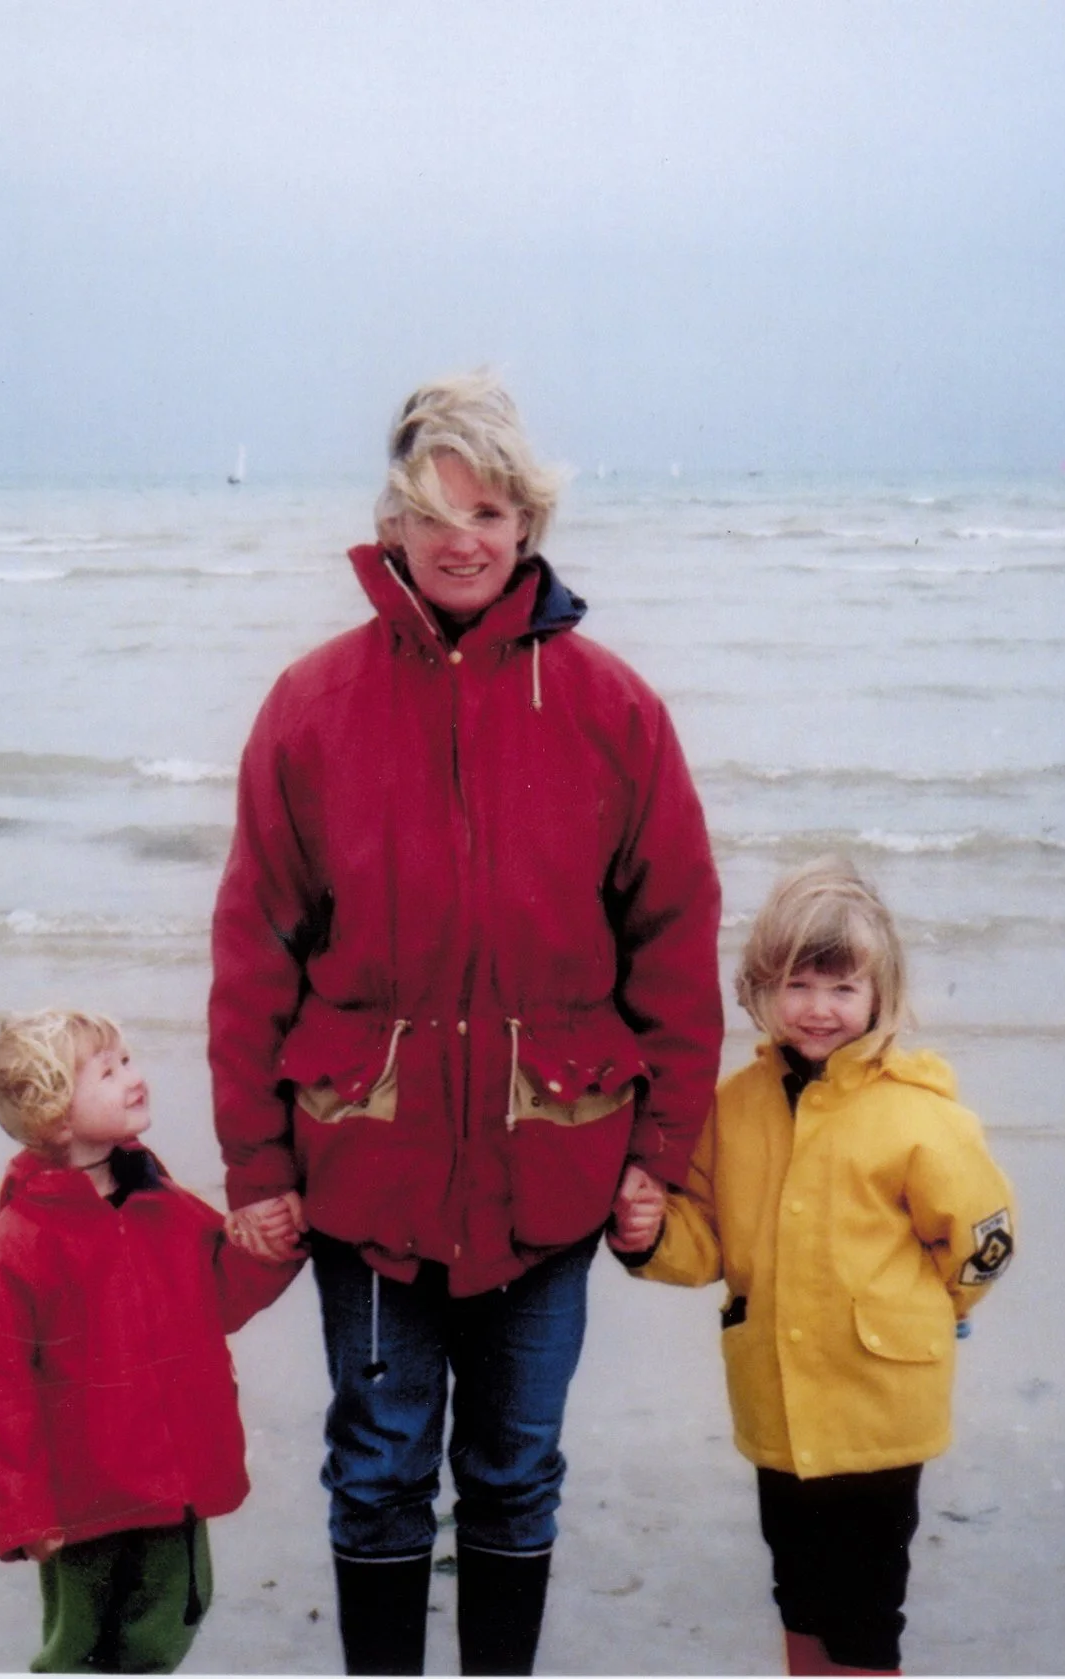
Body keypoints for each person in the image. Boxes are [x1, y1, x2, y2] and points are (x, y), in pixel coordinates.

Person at [210, 371, 724, 1675]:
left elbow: (674, 941)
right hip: (364, 1167)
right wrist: (258, 1166)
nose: (463, 536)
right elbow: (253, 952)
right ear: (394, 524)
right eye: (436, 509)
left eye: (489, 508)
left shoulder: (613, 708)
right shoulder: (312, 706)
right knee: (377, 1466)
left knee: (514, 1467)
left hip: (552, 1164)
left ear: (526, 524)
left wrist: (659, 1152)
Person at [610, 856, 1016, 1677]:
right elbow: (707, 1240)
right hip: (778, 1409)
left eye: (843, 988)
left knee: (865, 1611)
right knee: (797, 1590)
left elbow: (981, 1236)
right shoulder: (733, 1106)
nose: (819, 1009)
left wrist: (932, 1311)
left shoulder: (917, 1112)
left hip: (879, 1407)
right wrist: (648, 1231)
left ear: (881, 994)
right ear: (760, 987)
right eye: (798, 985)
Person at [0, 1010, 300, 1673]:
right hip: (81, 1503)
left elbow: (220, 1298)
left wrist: (267, 1248)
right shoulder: (18, 1242)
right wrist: (20, 1511)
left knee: (165, 1631)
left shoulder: (163, 1203)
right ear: (54, 1114)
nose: (134, 1077)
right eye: (108, 1071)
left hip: (176, 1483)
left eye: (129, 1060)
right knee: (77, 1648)